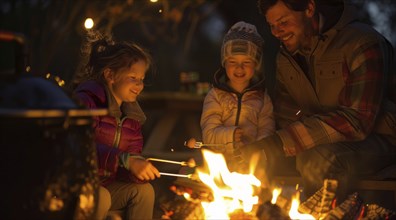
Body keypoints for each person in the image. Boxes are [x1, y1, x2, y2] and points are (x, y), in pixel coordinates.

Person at [242, 0, 396, 202]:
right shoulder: (287, 58)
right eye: (272, 25)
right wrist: (257, 143)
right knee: (264, 160)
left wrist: (280, 142)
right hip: (321, 144)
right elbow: (286, 115)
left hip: (382, 142)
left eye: (283, 22)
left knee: (318, 159)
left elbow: (357, 120)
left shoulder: (362, 43)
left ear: (309, 8)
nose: (276, 32)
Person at [72, 31, 160, 220]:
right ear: (110, 75)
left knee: (144, 191)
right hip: (74, 186)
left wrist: (137, 170)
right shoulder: (87, 102)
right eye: (133, 78)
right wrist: (125, 159)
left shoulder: (132, 118)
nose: (139, 85)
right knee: (101, 197)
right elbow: (79, 147)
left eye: (142, 79)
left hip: (106, 185)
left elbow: (129, 164)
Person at [200, 21, 275, 173]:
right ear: (224, 63)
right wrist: (230, 135)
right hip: (219, 168)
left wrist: (257, 155)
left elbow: (267, 132)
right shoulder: (215, 96)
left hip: (251, 169)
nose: (239, 68)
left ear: (256, 65)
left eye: (246, 62)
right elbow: (208, 134)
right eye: (232, 62)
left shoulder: (262, 99)